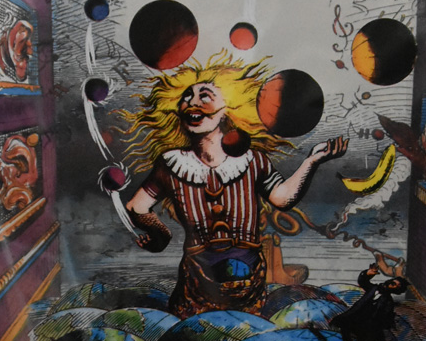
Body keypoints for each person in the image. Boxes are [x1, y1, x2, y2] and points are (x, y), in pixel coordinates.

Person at [123, 55, 348, 319]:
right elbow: (136, 207)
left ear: (226, 110)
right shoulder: (171, 164)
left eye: (205, 96)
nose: (192, 102)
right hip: (196, 284)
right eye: (187, 97)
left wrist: (311, 161)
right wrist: (161, 237)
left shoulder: (253, 161)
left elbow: (282, 198)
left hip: (249, 282)